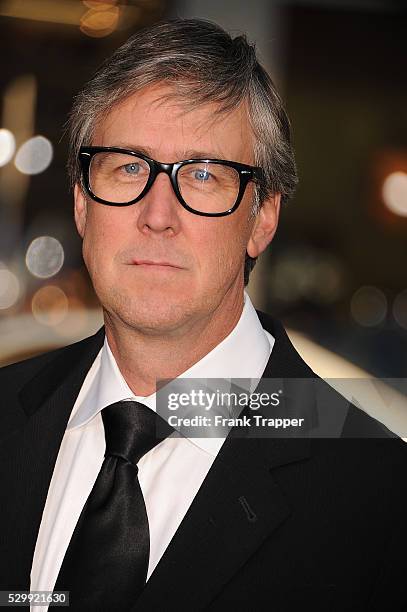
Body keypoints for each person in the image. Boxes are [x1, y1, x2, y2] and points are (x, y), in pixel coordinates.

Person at [0, 18, 406, 612]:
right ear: (82, 201)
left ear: (263, 217)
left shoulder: (380, 499)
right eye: (128, 167)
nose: (157, 213)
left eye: (204, 175)